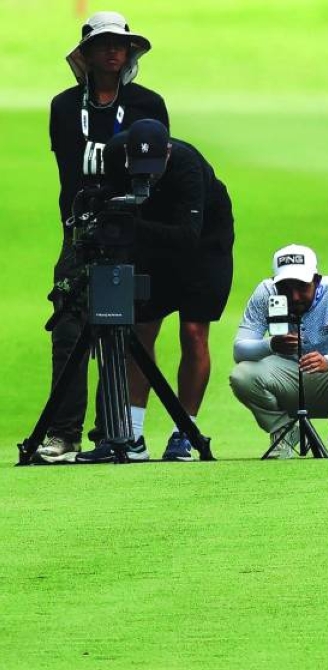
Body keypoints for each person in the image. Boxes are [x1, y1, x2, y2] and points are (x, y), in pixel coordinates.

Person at [39, 11, 168, 463]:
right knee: (69, 331)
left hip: (129, 234)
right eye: (104, 44)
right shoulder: (62, 106)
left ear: (130, 52)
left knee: (120, 331)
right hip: (78, 234)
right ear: (87, 52)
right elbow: (68, 170)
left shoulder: (147, 105)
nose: (114, 51)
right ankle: (63, 433)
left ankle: (113, 432)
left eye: (121, 44)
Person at [74, 118, 235, 463]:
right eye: (139, 167)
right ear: (127, 155)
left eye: (154, 168)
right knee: (141, 329)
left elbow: (188, 236)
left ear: (168, 152)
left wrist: (133, 226)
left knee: (193, 333)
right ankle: (132, 436)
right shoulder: (116, 153)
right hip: (150, 240)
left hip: (205, 247)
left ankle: (185, 433)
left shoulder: (187, 166)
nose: (147, 176)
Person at [229, 245, 328, 458]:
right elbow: (240, 350)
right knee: (241, 374)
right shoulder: (266, 293)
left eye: (302, 287)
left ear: (316, 279)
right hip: (286, 378)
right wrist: (270, 345)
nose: (295, 296)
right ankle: (285, 431)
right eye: (285, 288)